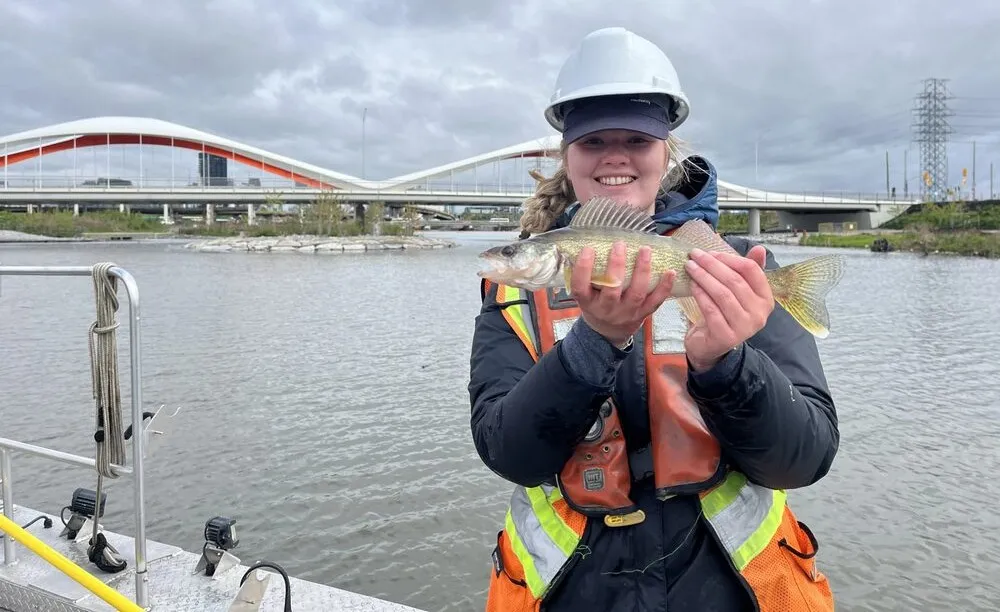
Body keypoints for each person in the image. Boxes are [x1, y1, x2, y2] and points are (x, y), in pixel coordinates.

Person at [468, 26, 839, 612]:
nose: (615, 155)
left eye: (638, 139)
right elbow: (508, 453)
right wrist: (594, 342)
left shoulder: (740, 269)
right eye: (593, 141)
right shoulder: (509, 294)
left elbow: (805, 457)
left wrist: (725, 363)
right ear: (566, 155)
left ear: (667, 152)